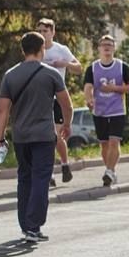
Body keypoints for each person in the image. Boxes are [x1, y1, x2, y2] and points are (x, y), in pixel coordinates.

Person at [0, 31, 72, 244]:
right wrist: (66, 125)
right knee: (41, 178)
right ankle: (34, 225)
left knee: (24, 179)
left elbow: (2, 111)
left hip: (20, 137)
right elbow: (66, 104)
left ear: (23, 50)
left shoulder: (10, 75)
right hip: (44, 135)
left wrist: (0, 138)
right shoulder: (51, 74)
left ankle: (25, 224)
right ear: (42, 50)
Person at [83, 34, 129, 187]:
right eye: (103, 44)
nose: (106, 47)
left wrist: (115, 88)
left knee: (114, 141)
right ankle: (110, 171)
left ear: (114, 48)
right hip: (99, 111)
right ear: (99, 48)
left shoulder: (121, 66)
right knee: (104, 144)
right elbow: (88, 87)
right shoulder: (92, 68)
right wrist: (89, 99)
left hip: (117, 110)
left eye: (110, 45)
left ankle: (109, 171)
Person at [37, 18, 82, 185]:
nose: (42, 34)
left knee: (56, 136)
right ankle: (49, 174)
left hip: (58, 97)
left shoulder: (61, 49)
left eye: (45, 31)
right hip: (41, 98)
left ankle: (64, 164)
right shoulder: (36, 50)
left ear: (53, 32)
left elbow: (79, 67)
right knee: (46, 136)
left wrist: (65, 63)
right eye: (40, 31)